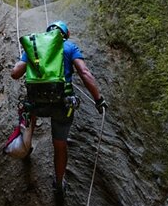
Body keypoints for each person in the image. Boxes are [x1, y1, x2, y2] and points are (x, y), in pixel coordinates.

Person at [10, 20, 107, 195]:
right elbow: (85, 73)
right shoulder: (70, 47)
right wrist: (98, 99)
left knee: (30, 115)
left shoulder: (35, 48)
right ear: (66, 34)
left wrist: (26, 58)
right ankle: (60, 182)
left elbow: (15, 73)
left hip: (37, 103)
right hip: (62, 105)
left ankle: (26, 148)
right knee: (60, 144)